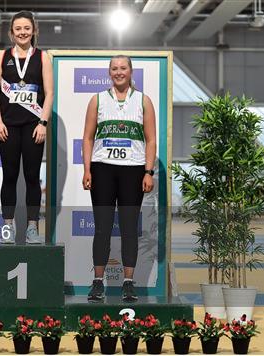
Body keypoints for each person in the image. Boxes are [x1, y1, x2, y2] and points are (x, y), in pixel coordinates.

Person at [82, 55, 156, 302]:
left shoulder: (144, 101)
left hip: (133, 170)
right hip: (102, 168)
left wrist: (148, 171)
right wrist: (87, 169)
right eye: (114, 68)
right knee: (102, 228)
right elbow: (88, 138)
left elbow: (151, 139)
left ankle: (128, 283)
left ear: (131, 71)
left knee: (128, 229)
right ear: (109, 72)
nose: (119, 72)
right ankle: (97, 282)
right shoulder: (98, 99)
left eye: (123, 68)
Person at [0, 10, 53, 243]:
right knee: (10, 176)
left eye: (27, 28)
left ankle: (32, 227)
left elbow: (50, 93)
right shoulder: (1, 57)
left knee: (32, 177)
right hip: (8, 126)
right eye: (18, 29)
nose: (23, 32)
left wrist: (43, 122)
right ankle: (8, 226)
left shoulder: (43, 57)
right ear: (11, 32)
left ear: (33, 30)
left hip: (33, 126)